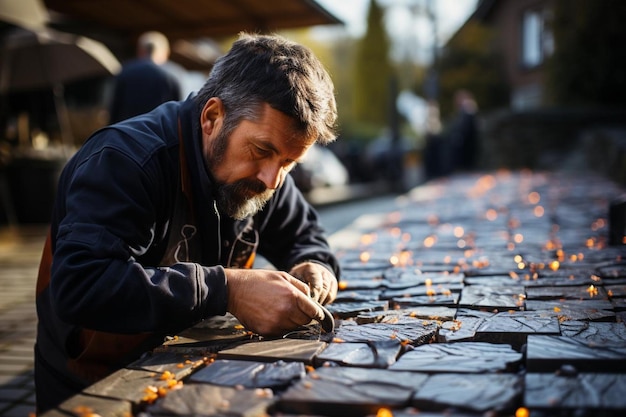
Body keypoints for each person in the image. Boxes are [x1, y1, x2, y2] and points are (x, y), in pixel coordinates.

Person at [35, 33, 340, 412]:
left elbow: (305, 235)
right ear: (212, 117)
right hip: (91, 384)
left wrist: (316, 265)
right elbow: (81, 286)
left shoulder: (265, 172)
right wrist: (227, 289)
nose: (272, 180)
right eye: (262, 151)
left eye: (289, 163)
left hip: (198, 376)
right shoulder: (124, 162)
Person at [108, 31, 182, 123]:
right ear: (166, 52)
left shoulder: (125, 71)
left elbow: (115, 107)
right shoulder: (174, 73)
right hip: (158, 132)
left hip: (127, 129)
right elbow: (179, 111)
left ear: (140, 50)